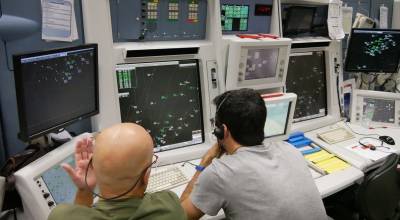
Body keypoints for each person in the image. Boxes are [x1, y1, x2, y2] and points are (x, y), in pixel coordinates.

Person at [180, 88, 327, 220]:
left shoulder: (220, 173)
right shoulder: (290, 150)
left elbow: (180, 216)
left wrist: (204, 163)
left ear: (222, 131)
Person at [48, 123, 186, 220]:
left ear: (95, 170)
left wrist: (85, 190)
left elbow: (76, 215)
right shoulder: (169, 206)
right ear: (146, 175)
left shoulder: (60, 216)